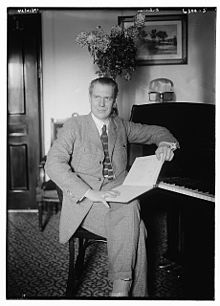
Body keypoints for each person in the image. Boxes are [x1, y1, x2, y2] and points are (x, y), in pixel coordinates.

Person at [45, 77, 179, 297]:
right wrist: (90, 193)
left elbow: (158, 131)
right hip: (86, 203)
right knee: (136, 224)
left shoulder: (121, 126)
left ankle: (123, 291)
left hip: (118, 196)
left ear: (114, 100)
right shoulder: (74, 126)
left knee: (130, 212)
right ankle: (126, 289)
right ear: (90, 97)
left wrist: (165, 144)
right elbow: (53, 163)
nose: (101, 103)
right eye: (97, 97)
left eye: (107, 98)